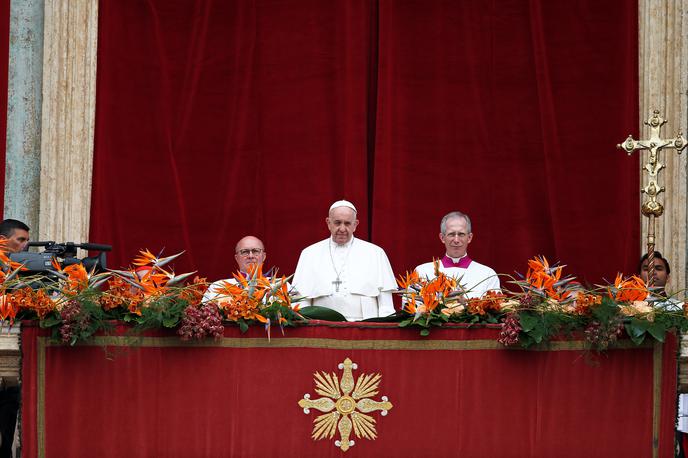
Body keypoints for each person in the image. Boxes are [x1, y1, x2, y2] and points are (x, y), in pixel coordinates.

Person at [292, 200, 396, 321]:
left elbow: (386, 305)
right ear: (328, 223)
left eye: (347, 223)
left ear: (355, 224)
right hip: (322, 328)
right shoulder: (309, 254)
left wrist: (384, 332)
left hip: (366, 328)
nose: (342, 228)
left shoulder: (376, 253)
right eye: (337, 223)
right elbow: (302, 302)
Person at [415, 211, 499, 298]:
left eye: (461, 234)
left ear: (469, 238)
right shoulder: (422, 272)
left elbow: (496, 309)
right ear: (442, 238)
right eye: (451, 234)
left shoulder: (488, 275)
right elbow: (408, 309)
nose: (456, 240)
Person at [203, 235, 267, 302]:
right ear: (237, 258)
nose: (250, 256)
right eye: (245, 252)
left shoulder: (276, 288)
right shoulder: (218, 286)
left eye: (255, 251)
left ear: (264, 256)